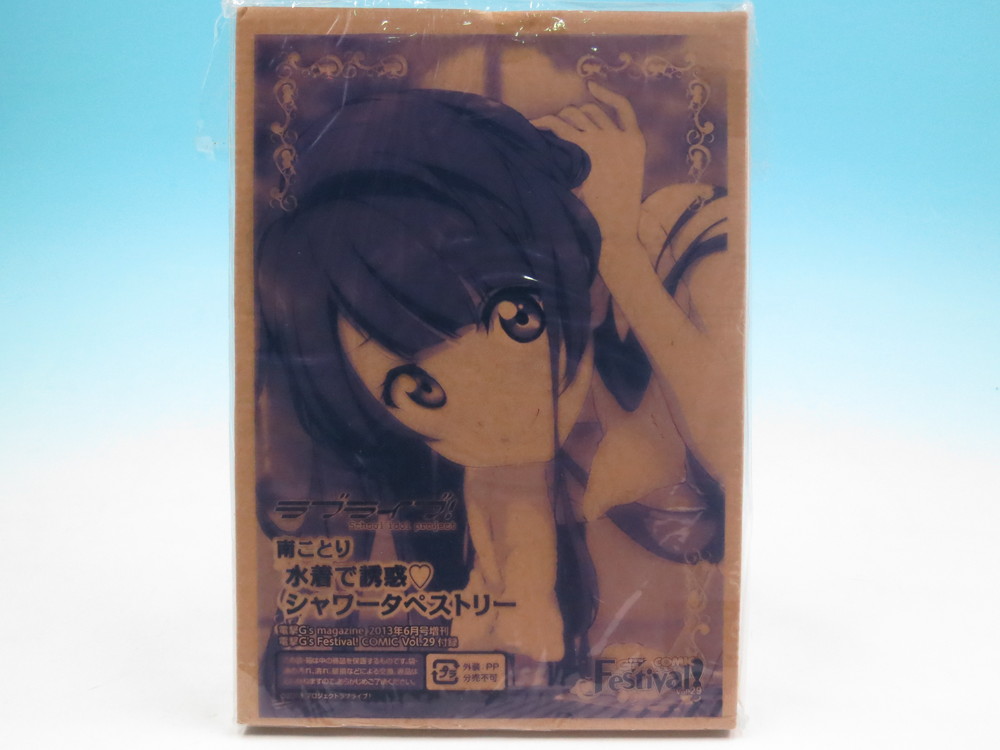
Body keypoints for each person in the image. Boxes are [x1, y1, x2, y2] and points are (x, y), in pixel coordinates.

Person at [255, 81, 732, 683]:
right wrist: (511, 605)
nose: (488, 414)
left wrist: (617, 249)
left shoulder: (683, 245)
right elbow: (525, 601)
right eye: (418, 390)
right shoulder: (506, 464)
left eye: (515, 320)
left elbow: (731, 446)